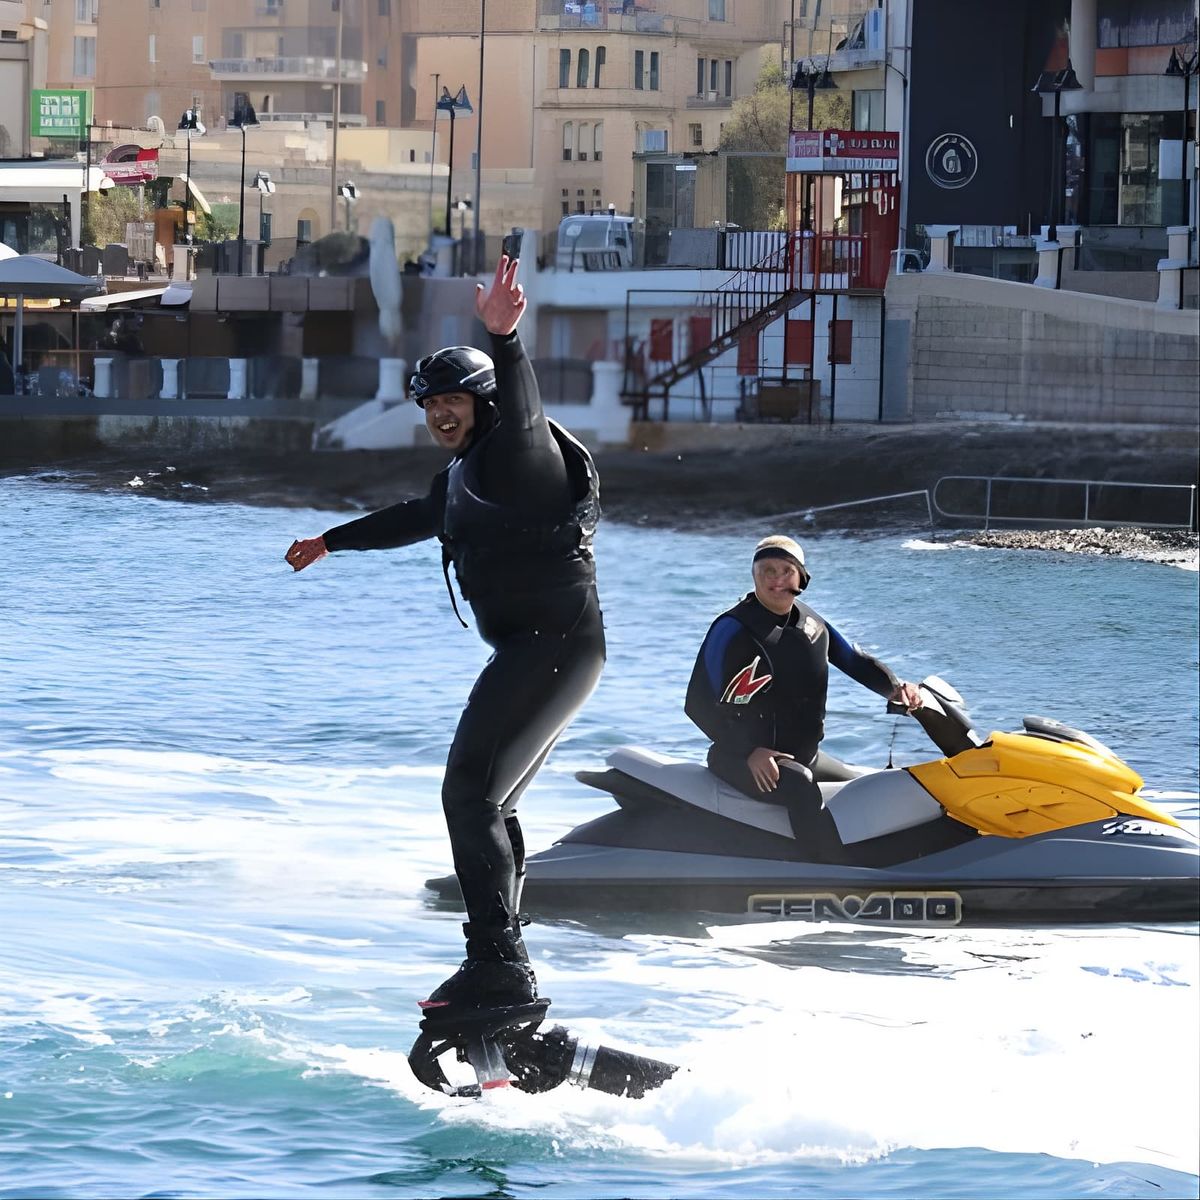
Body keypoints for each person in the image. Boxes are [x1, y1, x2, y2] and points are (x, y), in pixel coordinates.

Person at [285, 256, 605, 1011]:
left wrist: (507, 341)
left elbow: (524, 414)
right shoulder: (468, 474)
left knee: (468, 793)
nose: (438, 415)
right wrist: (333, 540)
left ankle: (498, 964)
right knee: (494, 804)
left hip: (548, 647)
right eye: (430, 405)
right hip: (547, 651)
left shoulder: (518, 454)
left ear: (483, 402)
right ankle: (509, 966)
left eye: (451, 401)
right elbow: (417, 516)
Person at [685, 535, 921, 862]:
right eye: (767, 570)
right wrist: (748, 751)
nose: (776, 579)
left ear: (801, 578)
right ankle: (836, 877)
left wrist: (896, 689)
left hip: (804, 756)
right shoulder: (732, 629)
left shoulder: (811, 623)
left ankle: (903, 857)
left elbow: (854, 661)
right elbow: (696, 704)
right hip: (740, 757)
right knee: (801, 787)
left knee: (870, 786)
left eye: (786, 570)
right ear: (754, 575)